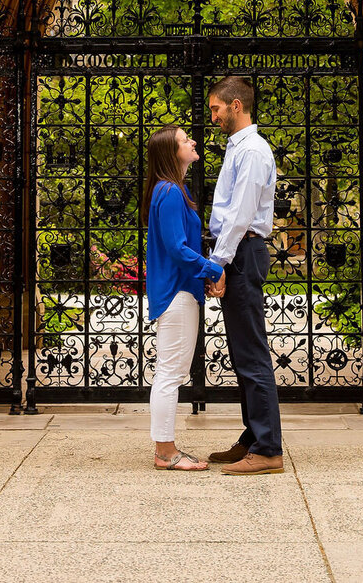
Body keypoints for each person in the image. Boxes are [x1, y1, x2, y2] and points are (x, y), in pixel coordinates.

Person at [205, 75, 283, 475]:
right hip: (239, 250)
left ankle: (269, 449)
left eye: (216, 108)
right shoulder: (239, 149)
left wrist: (219, 261)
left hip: (243, 251)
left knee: (251, 353)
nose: (213, 116)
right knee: (241, 352)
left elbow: (238, 215)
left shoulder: (251, 151)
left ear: (236, 106)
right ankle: (252, 437)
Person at [143, 123, 224, 471]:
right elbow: (177, 248)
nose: (192, 141)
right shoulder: (170, 192)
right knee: (170, 374)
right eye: (183, 140)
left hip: (181, 291)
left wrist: (201, 274)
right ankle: (165, 452)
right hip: (176, 294)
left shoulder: (174, 190)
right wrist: (213, 269)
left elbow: (181, 247)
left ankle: (167, 447)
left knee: (172, 372)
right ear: (170, 152)